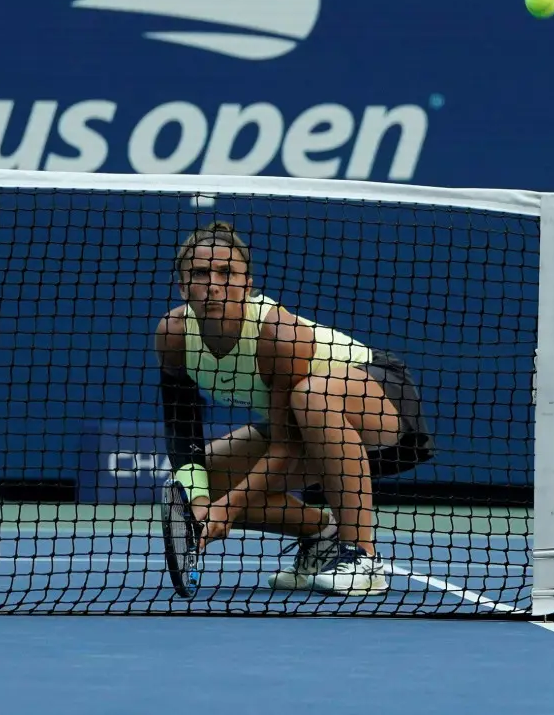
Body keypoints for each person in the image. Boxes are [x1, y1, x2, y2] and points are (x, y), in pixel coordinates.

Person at [155, 221, 433, 594]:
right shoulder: (174, 335)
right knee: (202, 478)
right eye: (201, 273)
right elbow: (182, 427)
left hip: (379, 406)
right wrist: (204, 500)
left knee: (310, 396)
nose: (214, 284)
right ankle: (322, 536)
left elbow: (283, 449)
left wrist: (228, 509)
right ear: (183, 285)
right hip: (310, 435)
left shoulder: (278, 334)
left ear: (248, 283)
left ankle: (362, 556)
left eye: (227, 272)